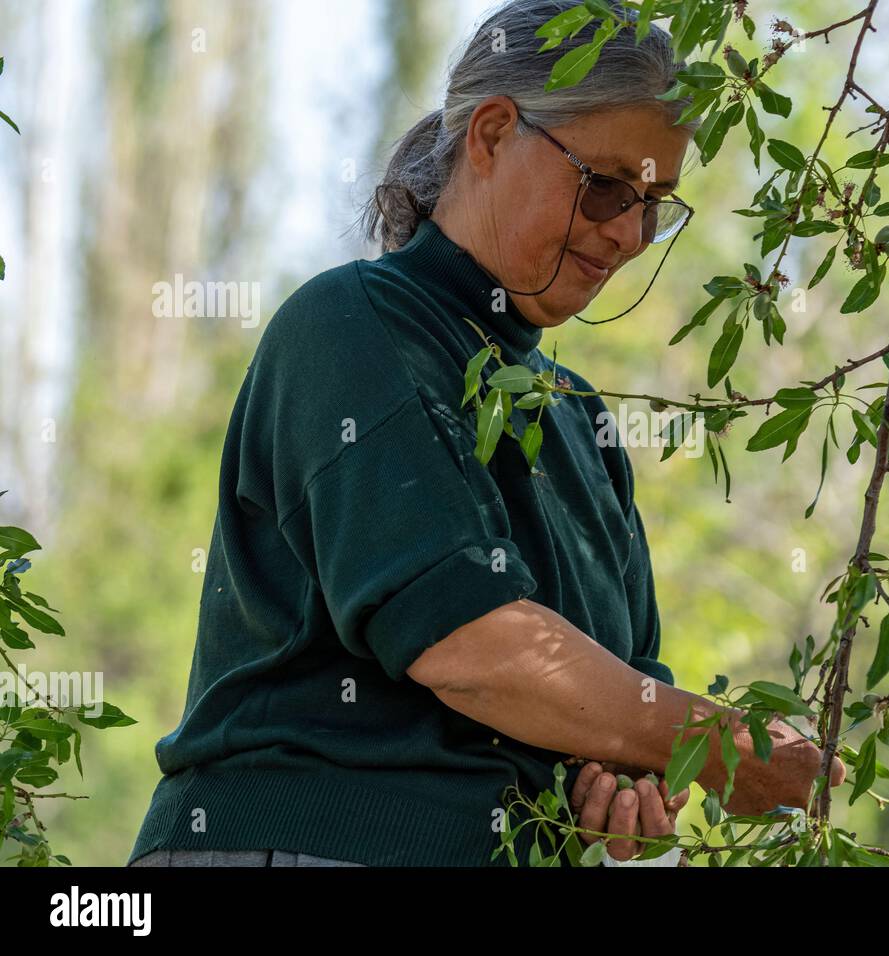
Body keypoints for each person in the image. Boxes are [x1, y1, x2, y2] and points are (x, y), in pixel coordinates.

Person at [126, 0, 844, 869]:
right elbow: (470, 646)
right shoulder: (353, 323)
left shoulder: (583, 418)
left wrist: (629, 790)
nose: (627, 233)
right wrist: (724, 747)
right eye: (610, 184)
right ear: (494, 134)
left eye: (655, 206)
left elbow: (629, 709)